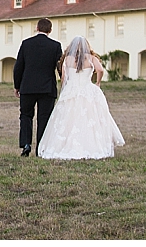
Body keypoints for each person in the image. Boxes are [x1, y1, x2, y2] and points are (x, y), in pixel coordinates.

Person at [37, 35, 125, 160]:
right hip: (87, 90)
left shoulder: (67, 59)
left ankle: (64, 145)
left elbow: (63, 78)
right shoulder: (91, 58)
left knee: (68, 119)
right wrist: (98, 82)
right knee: (90, 117)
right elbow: (100, 70)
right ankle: (91, 145)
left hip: (71, 90)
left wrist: (65, 89)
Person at [13, 18, 63, 157]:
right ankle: (41, 148)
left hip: (27, 87)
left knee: (25, 115)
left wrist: (17, 85)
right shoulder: (55, 46)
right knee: (44, 118)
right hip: (47, 88)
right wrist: (63, 81)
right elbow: (60, 68)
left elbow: (18, 67)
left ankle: (26, 144)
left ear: (37, 28)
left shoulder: (26, 44)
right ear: (50, 30)